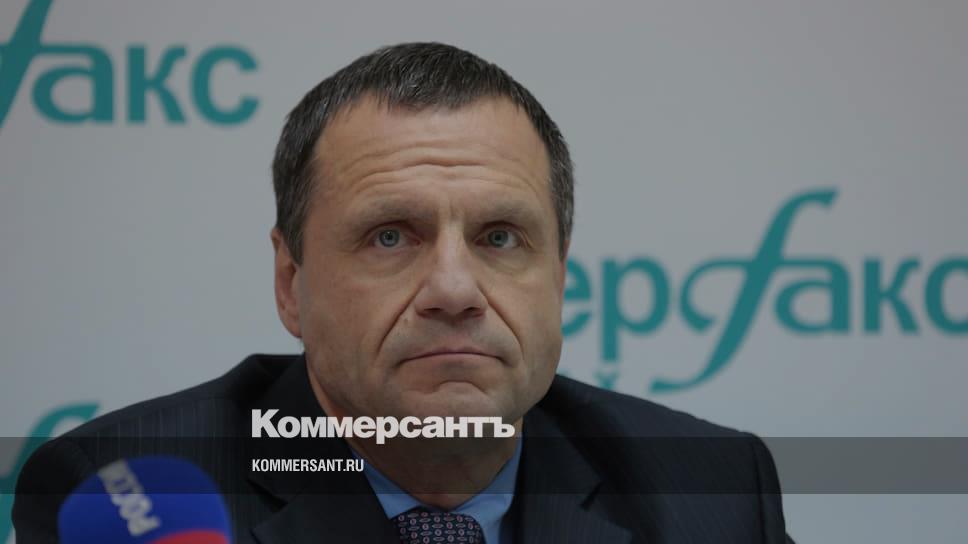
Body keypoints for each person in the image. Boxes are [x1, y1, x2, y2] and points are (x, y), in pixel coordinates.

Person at [14, 42, 794, 543]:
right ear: (291, 283)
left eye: (500, 238)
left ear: (558, 279)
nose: (454, 291)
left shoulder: (711, 490)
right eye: (391, 236)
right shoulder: (124, 494)